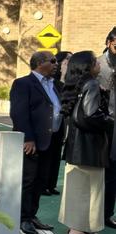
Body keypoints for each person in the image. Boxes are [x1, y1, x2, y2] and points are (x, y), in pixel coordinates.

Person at [58, 51, 112, 234]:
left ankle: (79, 228)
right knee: (89, 189)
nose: (99, 63)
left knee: (78, 188)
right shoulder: (92, 84)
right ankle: (77, 231)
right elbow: (90, 115)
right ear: (88, 66)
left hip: (77, 146)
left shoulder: (77, 85)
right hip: (89, 147)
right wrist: (109, 120)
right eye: (95, 61)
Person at [9, 51, 61, 234]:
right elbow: (19, 113)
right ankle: (23, 218)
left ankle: (32, 215)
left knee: (41, 180)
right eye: (52, 61)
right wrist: (28, 138)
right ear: (40, 63)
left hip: (50, 141)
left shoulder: (54, 85)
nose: (56, 64)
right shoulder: (23, 84)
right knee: (28, 180)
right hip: (32, 142)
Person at [42, 51, 73, 196]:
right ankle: (44, 185)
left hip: (59, 124)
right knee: (46, 156)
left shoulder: (63, 81)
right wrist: (62, 75)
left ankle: (51, 184)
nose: (69, 63)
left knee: (55, 156)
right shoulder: (50, 80)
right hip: (47, 126)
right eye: (67, 60)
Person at [97, 27, 116, 229]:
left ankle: (107, 214)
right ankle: (90, 217)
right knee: (97, 172)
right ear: (109, 42)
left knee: (113, 174)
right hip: (101, 125)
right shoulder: (97, 65)